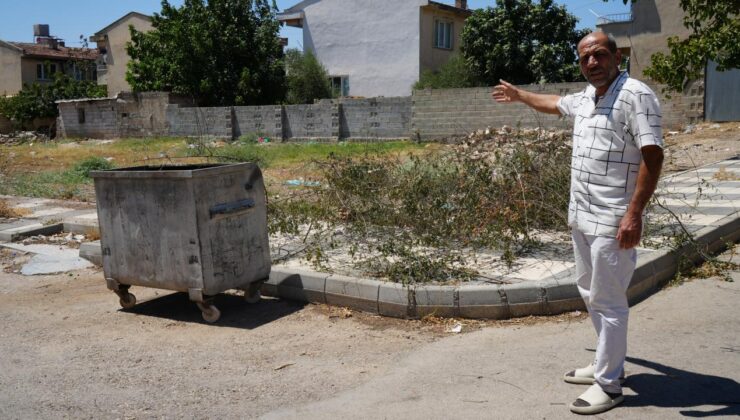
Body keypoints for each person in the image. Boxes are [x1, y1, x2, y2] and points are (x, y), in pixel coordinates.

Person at [492, 32, 664, 415]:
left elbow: (653, 156)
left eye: (599, 55)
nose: (592, 63)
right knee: (590, 292)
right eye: (585, 57)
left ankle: (609, 384)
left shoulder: (636, 95)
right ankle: (605, 363)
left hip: (613, 219)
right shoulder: (587, 97)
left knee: (610, 302)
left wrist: (634, 214)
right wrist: (521, 96)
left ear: (617, 56)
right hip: (582, 217)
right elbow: (554, 103)